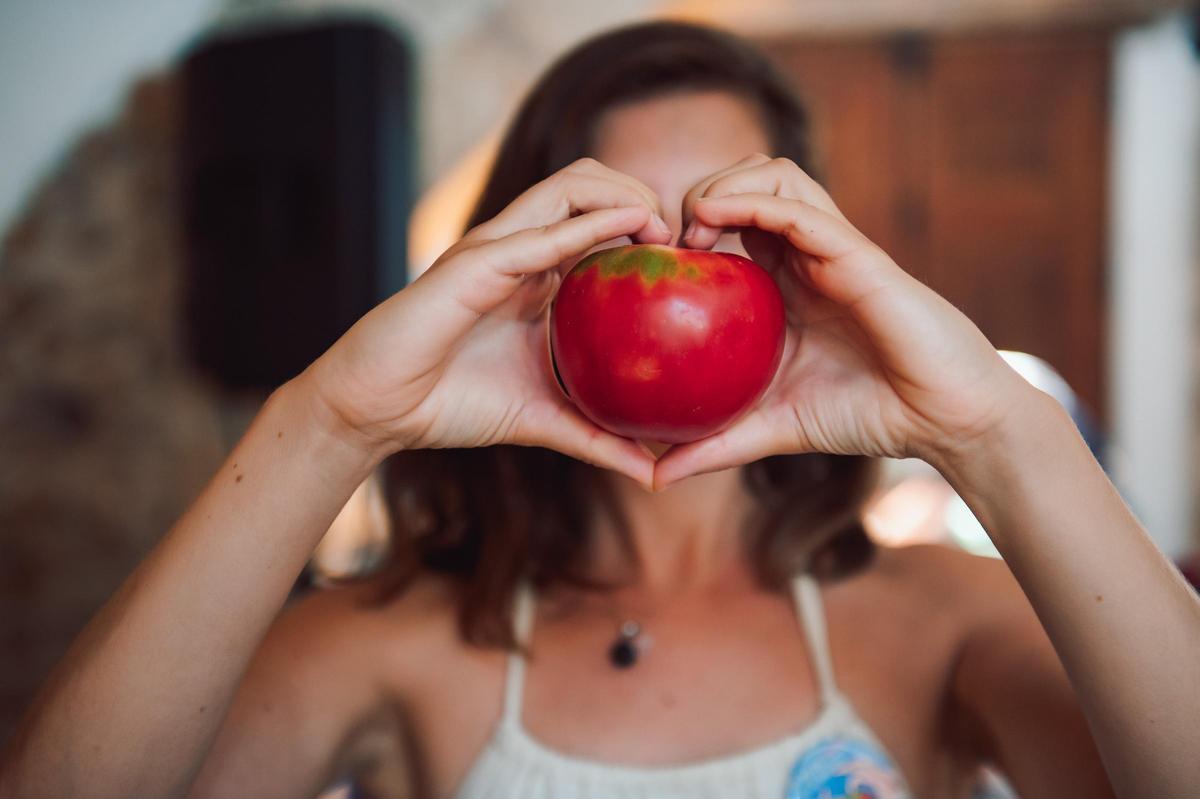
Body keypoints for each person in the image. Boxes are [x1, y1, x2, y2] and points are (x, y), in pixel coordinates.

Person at [1, 20, 1197, 799]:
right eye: (626, 230)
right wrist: (329, 422)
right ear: (538, 265)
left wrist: (996, 430)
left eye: (730, 225)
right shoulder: (391, 636)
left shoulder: (940, 620)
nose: (679, 263)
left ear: (803, 265)